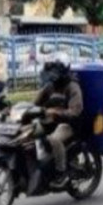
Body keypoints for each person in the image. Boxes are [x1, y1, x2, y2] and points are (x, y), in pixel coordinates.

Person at [34, 53, 84, 187]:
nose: (51, 73)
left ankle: (61, 173)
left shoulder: (72, 87)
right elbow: (36, 103)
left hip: (68, 124)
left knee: (54, 139)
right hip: (50, 121)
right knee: (27, 131)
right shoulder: (50, 86)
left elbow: (75, 111)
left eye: (55, 70)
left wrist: (57, 112)